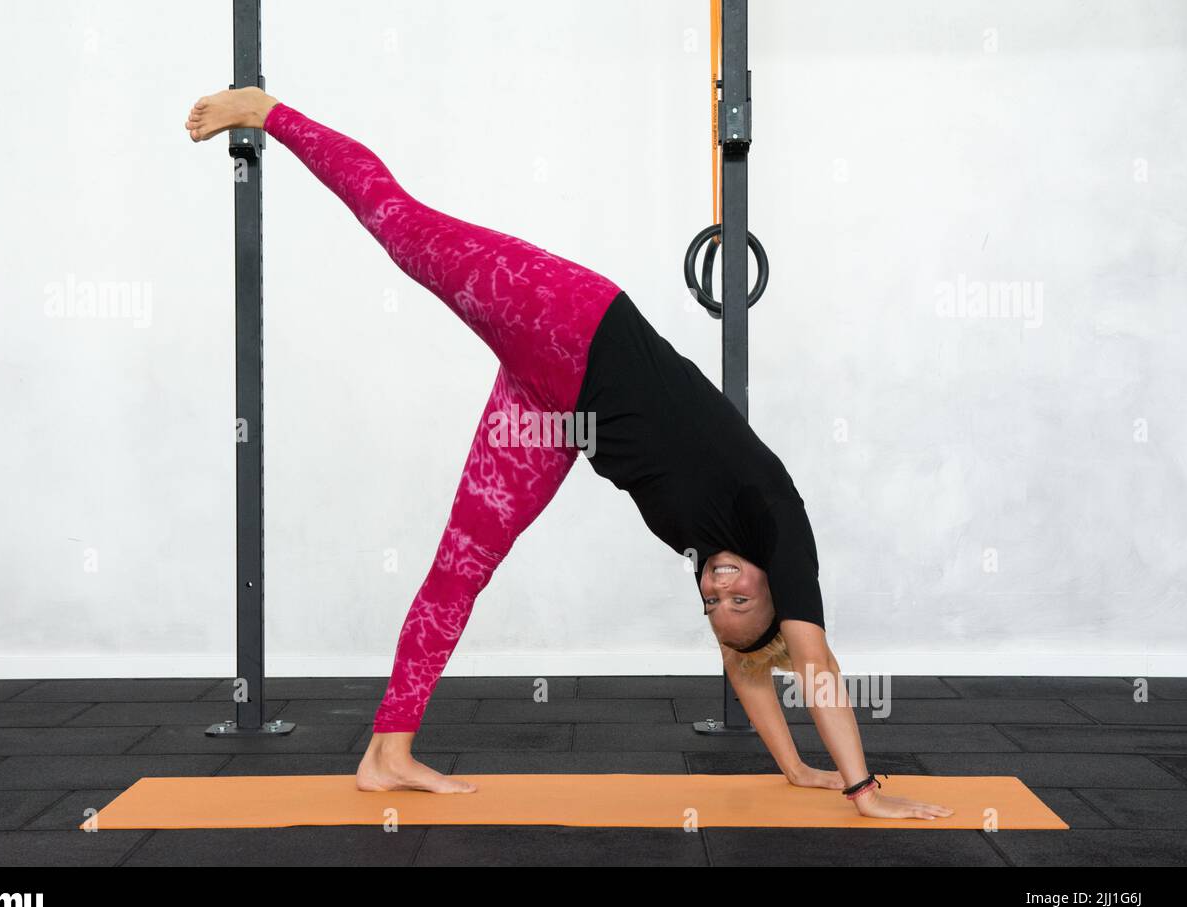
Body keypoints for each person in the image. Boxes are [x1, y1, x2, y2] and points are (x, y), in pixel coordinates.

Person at [185, 88, 953, 821]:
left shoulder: (718, 567)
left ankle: (387, 752)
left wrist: (795, 767)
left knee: (462, 565)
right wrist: (862, 788)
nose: (719, 592)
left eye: (715, 607)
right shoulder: (776, 520)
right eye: (738, 599)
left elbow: (747, 667)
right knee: (403, 229)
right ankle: (268, 113)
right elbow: (815, 663)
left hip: (555, 413)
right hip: (568, 319)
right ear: (775, 588)